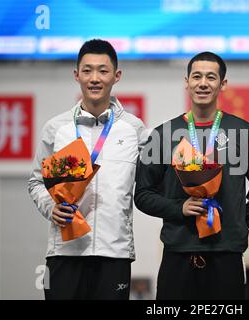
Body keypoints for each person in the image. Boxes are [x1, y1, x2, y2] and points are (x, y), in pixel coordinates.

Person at [134, 51, 249, 300]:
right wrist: (179, 208)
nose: (203, 83)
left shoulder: (244, 132)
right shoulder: (163, 134)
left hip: (226, 255)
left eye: (211, 77)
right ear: (186, 82)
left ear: (223, 84)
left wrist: (233, 223)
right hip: (178, 253)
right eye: (196, 76)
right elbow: (142, 195)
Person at [28, 39, 147, 300]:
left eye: (103, 71)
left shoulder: (135, 130)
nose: (95, 78)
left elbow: (152, 187)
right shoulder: (56, 128)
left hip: (114, 254)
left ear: (116, 76)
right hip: (65, 252)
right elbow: (36, 183)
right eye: (87, 70)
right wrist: (51, 207)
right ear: (76, 75)